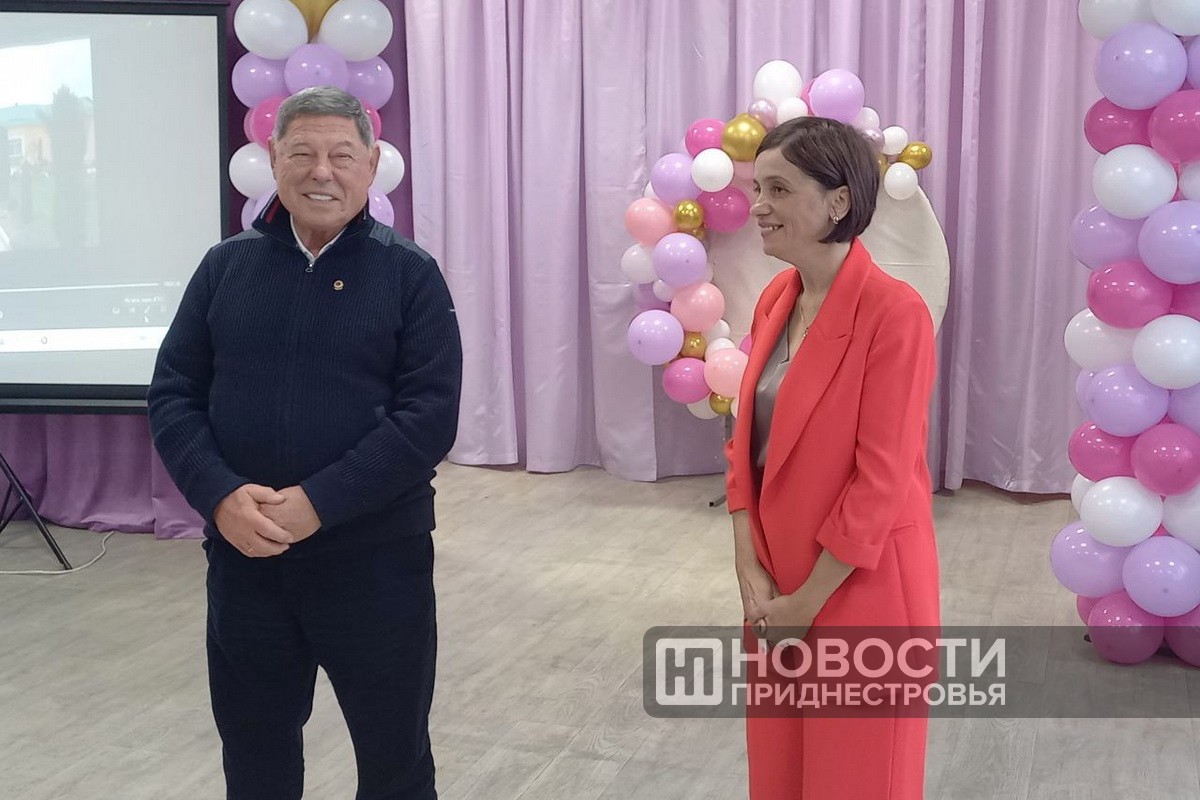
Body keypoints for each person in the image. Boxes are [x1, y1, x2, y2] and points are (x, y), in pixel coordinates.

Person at [147, 86, 462, 800]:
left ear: (371, 165)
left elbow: (429, 417)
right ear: (273, 159)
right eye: (303, 154)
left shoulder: (409, 274)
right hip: (247, 562)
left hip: (376, 565)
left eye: (342, 155)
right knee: (255, 758)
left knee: (395, 761)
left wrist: (320, 502)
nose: (322, 171)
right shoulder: (224, 267)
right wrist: (219, 496)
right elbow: (173, 393)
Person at [724, 116, 940, 799]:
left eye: (780, 189)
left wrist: (806, 603)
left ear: (839, 201)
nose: (759, 206)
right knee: (781, 772)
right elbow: (743, 445)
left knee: (857, 777)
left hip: (859, 584)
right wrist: (748, 563)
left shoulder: (894, 314)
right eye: (758, 188)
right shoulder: (775, 300)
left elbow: (882, 479)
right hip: (776, 580)